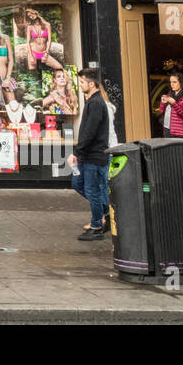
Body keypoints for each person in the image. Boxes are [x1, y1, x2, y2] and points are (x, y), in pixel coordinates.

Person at [69, 68, 109, 240]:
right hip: (88, 155)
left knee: (91, 190)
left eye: (83, 82)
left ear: (92, 84)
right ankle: (105, 211)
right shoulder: (92, 102)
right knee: (78, 183)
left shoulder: (96, 103)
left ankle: (97, 226)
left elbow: (90, 131)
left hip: (94, 155)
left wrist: (77, 151)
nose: (80, 85)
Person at [22, 6, 64, 71]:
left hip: (44, 52)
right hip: (33, 53)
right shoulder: (30, 27)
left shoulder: (47, 25)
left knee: (59, 67)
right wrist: (30, 56)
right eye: (29, 16)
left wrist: (46, 53)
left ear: (35, 13)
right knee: (32, 73)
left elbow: (50, 40)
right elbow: (28, 42)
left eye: (32, 13)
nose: (31, 16)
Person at [155, 72, 183, 138]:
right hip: (167, 129)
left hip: (180, 132)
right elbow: (161, 111)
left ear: (181, 83)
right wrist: (163, 103)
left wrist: (174, 103)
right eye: (171, 82)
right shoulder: (170, 94)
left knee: (179, 149)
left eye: (174, 82)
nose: (172, 84)